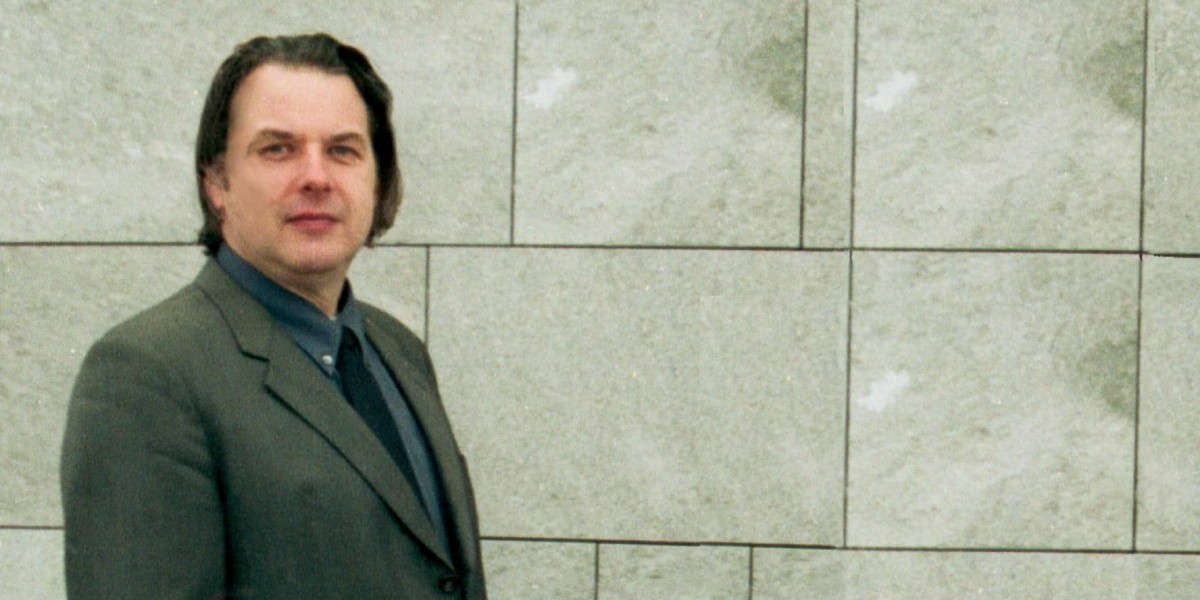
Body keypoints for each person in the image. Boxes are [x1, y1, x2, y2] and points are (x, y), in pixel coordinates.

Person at [60, 33, 486, 599]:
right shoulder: (148, 373)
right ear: (217, 183)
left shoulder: (398, 350)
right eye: (278, 149)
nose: (316, 177)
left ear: (377, 179)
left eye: (343, 150)